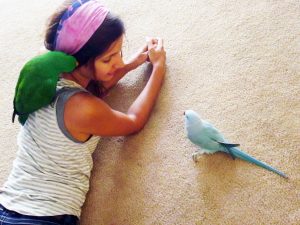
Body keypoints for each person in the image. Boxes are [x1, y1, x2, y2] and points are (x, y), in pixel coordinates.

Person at [0, 0, 166, 224]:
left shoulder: (47, 67)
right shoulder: (84, 108)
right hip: (42, 218)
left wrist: (133, 63)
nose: (118, 62)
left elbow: (96, 84)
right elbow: (134, 121)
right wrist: (158, 69)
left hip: (8, 204)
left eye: (119, 52)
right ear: (80, 61)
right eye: (108, 59)